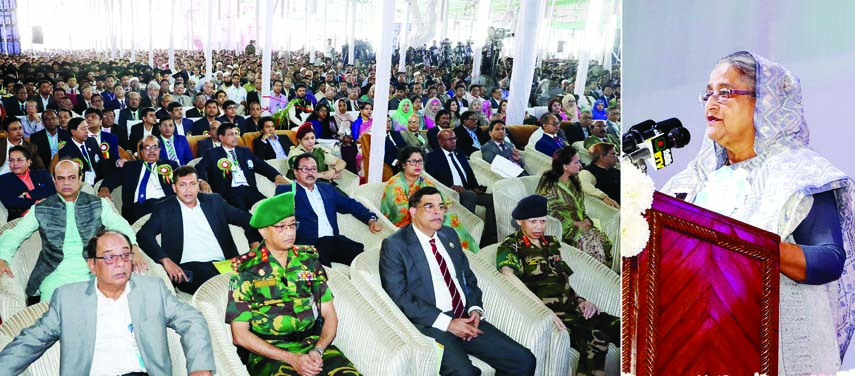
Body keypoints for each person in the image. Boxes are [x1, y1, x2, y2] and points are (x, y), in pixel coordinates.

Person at [661, 51, 855, 374]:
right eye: (708, 93)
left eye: (725, 92)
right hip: (700, 348)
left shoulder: (801, 174)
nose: (712, 102)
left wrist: (748, 247)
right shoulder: (693, 181)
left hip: (774, 350)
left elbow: (829, 259)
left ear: (764, 103)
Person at [0, 229, 216, 375]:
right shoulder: (68, 299)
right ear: (92, 265)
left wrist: (200, 369)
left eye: (125, 255)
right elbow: (31, 341)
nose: (121, 264)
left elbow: (192, 319)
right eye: (110, 258)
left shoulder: (152, 290)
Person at [379, 186, 536, 375]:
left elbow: (468, 278)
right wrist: (447, 323)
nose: (437, 211)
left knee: (523, 360)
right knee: (465, 373)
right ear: (413, 211)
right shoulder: (395, 245)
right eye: (429, 206)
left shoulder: (448, 235)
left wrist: (474, 309)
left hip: (465, 317)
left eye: (441, 206)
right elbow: (399, 296)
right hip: (431, 324)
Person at [227, 191, 361, 375]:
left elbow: (329, 314)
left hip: (312, 345)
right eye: (281, 227)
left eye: (292, 225)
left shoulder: (308, 261)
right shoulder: (245, 271)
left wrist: (318, 349)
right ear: (263, 231)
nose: (289, 232)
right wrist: (291, 358)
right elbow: (239, 335)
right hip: (269, 353)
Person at [497, 195, 620, 376]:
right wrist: (544, 312)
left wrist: (581, 300)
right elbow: (508, 276)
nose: (539, 227)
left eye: (542, 221)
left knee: (626, 329)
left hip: (574, 310)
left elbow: (563, 280)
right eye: (533, 222)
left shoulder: (552, 243)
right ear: (519, 221)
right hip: (554, 317)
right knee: (596, 340)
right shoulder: (511, 246)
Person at [0, 159, 146, 302]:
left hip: (92, 270)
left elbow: (120, 225)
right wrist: (3, 258)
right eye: (61, 178)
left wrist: (133, 246)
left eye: (71, 177)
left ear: (80, 178)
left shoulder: (97, 204)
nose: (66, 183)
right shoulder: (42, 208)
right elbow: (15, 234)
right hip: (54, 272)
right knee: (55, 317)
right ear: (54, 180)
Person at [138, 166, 261, 294]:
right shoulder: (164, 208)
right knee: (219, 284)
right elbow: (144, 234)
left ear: (198, 185)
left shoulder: (214, 201)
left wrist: (254, 243)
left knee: (268, 275)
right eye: (182, 185)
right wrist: (165, 260)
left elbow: (247, 219)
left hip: (224, 263)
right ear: (174, 188)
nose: (188, 190)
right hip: (186, 271)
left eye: (192, 184)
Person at [275, 153, 381, 266]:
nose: (310, 173)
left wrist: (370, 219)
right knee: (323, 273)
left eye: (314, 169)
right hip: (309, 245)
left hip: (333, 240)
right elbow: (276, 218)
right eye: (305, 169)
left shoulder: (327, 188)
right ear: (296, 172)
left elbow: (350, 204)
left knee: (366, 262)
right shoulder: (286, 191)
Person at [382, 146, 480, 253]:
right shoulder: (396, 184)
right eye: (413, 162)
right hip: (405, 221)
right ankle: (461, 254)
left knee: (449, 218)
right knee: (444, 221)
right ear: (403, 164)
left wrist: (439, 208)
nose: (417, 165)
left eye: (420, 161)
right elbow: (399, 211)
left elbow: (441, 199)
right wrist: (428, 211)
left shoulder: (422, 180)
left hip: (426, 216)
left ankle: (469, 255)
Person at [536, 147, 612, 267]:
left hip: (580, 224)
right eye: (576, 162)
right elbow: (544, 210)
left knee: (602, 239)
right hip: (562, 228)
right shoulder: (548, 181)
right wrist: (575, 224)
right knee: (591, 245)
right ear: (565, 166)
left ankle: (602, 277)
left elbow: (580, 207)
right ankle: (591, 278)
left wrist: (586, 219)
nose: (580, 166)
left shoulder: (574, 180)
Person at [196, 123, 289, 211]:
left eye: (236, 133)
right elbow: (200, 167)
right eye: (231, 134)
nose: (235, 137)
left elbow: (261, 165)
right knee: (243, 213)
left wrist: (276, 176)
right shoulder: (212, 153)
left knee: (269, 208)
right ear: (221, 137)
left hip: (248, 189)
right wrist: (202, 181)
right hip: (229, 191)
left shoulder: (245, 151)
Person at [425, 130, 497, 243]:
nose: (453, 142)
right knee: (469, 196)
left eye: (454, 139)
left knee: (492, 199)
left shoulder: (460, 153)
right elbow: (432, 178)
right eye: (450, 139)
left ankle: (488, 237)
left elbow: (469, 173)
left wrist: (476, 187)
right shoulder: (432, 156)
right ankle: (467, 235)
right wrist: (450, 186)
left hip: (468, 190)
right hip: (449, 193)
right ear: (441, 142)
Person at [98, 135, 178, 222]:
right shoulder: (130, 167)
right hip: (139, 208)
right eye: (147, 147)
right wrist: (104, 188)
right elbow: (112, 179)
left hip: (165, 205)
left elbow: (184, 180)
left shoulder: (170, 165)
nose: (152, 151)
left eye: (155, 147)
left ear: (159, 149)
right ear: (141, 151)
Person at [0, 145, 56, 221]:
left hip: (48, 212)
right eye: (11, 160)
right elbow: (10, 201)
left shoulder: (42, 174)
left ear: (29, 162)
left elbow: (51, 189)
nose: (15, 163)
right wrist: (37, 203)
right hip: (21, 217)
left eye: (19, 160)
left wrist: (27, 195)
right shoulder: (4, 179)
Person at [579, 142, 620, 207]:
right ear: (602, 157)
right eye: (613, 154)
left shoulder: (615, 170)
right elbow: (583, 184)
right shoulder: (588, 172)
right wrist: (603, 196)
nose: (616, 157)